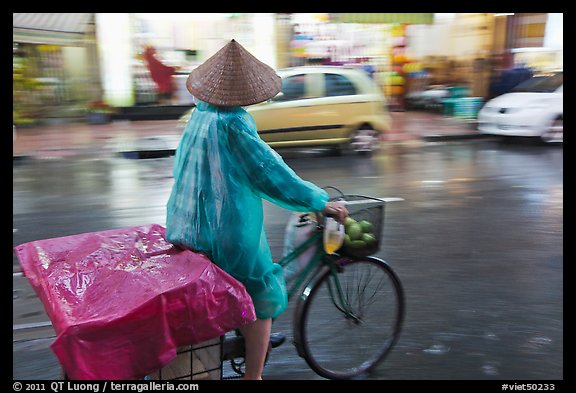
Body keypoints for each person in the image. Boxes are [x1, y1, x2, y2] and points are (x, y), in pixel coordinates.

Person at [165, 39, 348, 380]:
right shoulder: (234, 123)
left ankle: (246, 337)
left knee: (235, 290)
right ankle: (254, 376)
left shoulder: (198, 116)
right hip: (223, 233)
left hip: (183, 223)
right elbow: (270, 174)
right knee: (263, 292)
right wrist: (319, 201)